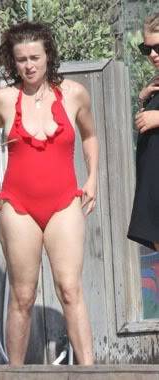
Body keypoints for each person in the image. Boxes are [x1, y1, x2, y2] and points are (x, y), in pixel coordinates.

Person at [0, 22, 98, 365]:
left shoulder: (74, 94)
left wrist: (93, 178)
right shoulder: (2, 99)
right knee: (23, 296)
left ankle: (91, 371)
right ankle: (14, 372)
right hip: (18, 206)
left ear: (48, 57)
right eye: (21, 59)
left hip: (64, 203)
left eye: (35, 58)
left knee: (70, 289)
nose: (29, 66)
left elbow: (89, 136)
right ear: (12, 62)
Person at [128, 13, 159, 252]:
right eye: (147, 49)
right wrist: (143, 100)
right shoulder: (155, 84)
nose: (153, 55)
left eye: (158, 47)